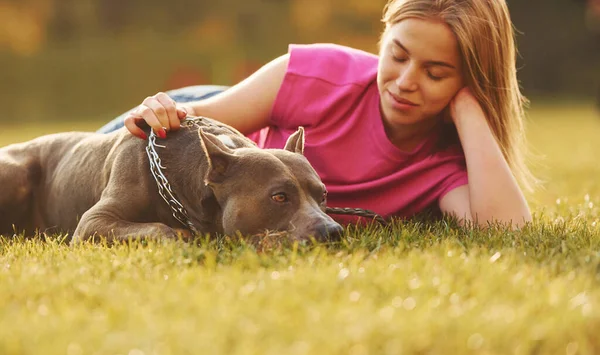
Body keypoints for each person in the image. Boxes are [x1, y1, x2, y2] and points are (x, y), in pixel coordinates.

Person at [99, 0, 535, 229]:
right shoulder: (322, 74)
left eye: (436, 73)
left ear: (470, 82)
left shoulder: (446, 166)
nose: (405, 81)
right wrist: (162, 112)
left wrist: (469, 109)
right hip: (218, 120)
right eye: (398, 55)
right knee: (70, 171)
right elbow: (200, 117)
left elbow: (508, 229)